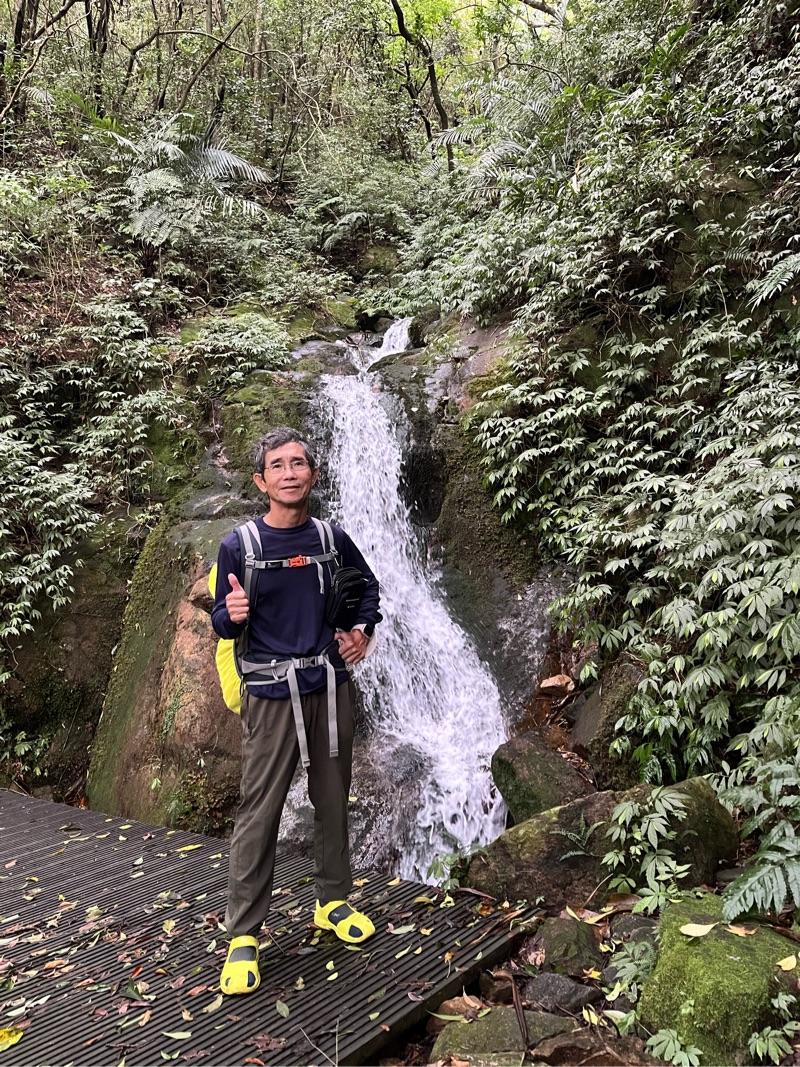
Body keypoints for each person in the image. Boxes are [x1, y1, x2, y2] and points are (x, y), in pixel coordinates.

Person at [211, 426, 381, 995]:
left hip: (329, 687)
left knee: (333, 800)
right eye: (278, 466)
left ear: (313, 473)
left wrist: (362, 630)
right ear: (261, 481)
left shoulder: (331, 537)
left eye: (298, 463)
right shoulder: (239, 545)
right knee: (259, 811)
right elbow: (220, 621)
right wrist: (231, 614)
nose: (290, 473)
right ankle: (243, 935)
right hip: (271, 697)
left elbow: (368, 589)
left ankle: (332, 901)